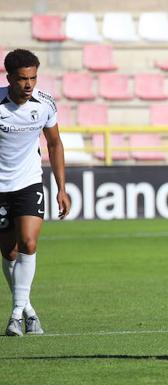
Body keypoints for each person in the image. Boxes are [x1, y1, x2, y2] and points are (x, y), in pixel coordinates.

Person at [1, 49, 70, 336]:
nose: (29, 84)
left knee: (28, 242)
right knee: (9, 251)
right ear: (9, 78)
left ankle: (16, 315)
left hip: (29, 182)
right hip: (0, 188)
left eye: (33, 77)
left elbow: (54, 144)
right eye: (22, 79)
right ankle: (27, 309)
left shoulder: (44, 104)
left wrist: (61, 189)